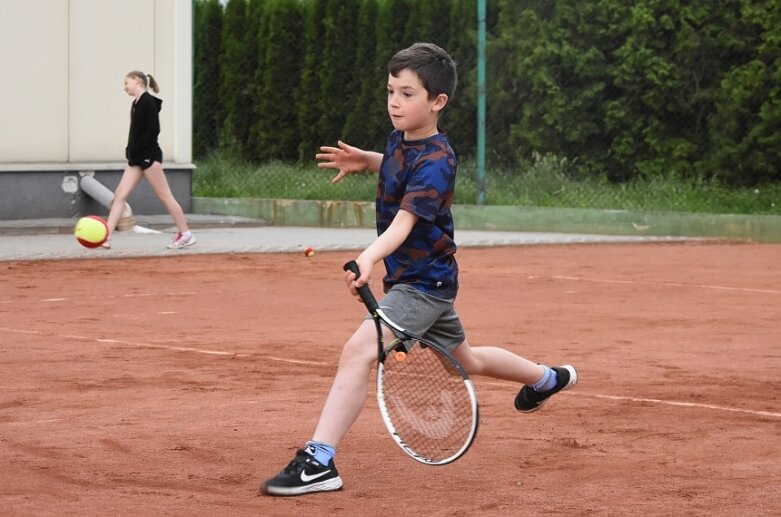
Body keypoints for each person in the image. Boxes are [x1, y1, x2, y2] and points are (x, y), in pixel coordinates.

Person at [261, 43, 577, 496]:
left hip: (422, 286)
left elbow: (405, 223)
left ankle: (319, 460)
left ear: (437, 102)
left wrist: (368, 257)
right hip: (425, 282)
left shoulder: (438, 161)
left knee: (357, 352)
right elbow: (395, 164)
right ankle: (548, 379)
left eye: (407, 94)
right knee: (464, 362)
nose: (395, 101)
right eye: (391, 91)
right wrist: (367, 160)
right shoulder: (401, 139)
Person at [102, 71, 195, 249]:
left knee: (164, 195)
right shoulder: (136, 103)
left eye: (126, 83)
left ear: (137, 81)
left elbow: (153, 130)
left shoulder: (148, 102)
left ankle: (186, 234)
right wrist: (130, 150)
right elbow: (135, 133)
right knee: (120, 195)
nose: (124, 87)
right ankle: (105, 236)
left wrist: (137, 149)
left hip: (149, 157)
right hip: (136, 158)